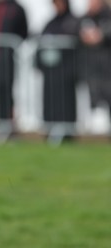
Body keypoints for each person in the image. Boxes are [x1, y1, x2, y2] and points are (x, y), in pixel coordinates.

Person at [35, 0, 80, 144]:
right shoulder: (51, 23)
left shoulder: (73, 22)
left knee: (65, 104)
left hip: (66, 73)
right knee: (50, 102)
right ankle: (50, 129)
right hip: (50, 73)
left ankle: (67, 134)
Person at [78, 0, 111, 131]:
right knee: (94, 96)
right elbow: (76, 29)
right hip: (92, 66)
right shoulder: (85, 18)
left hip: (107, 66)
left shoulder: (107, 16)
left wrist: (101, 35)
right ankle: (98, 129)